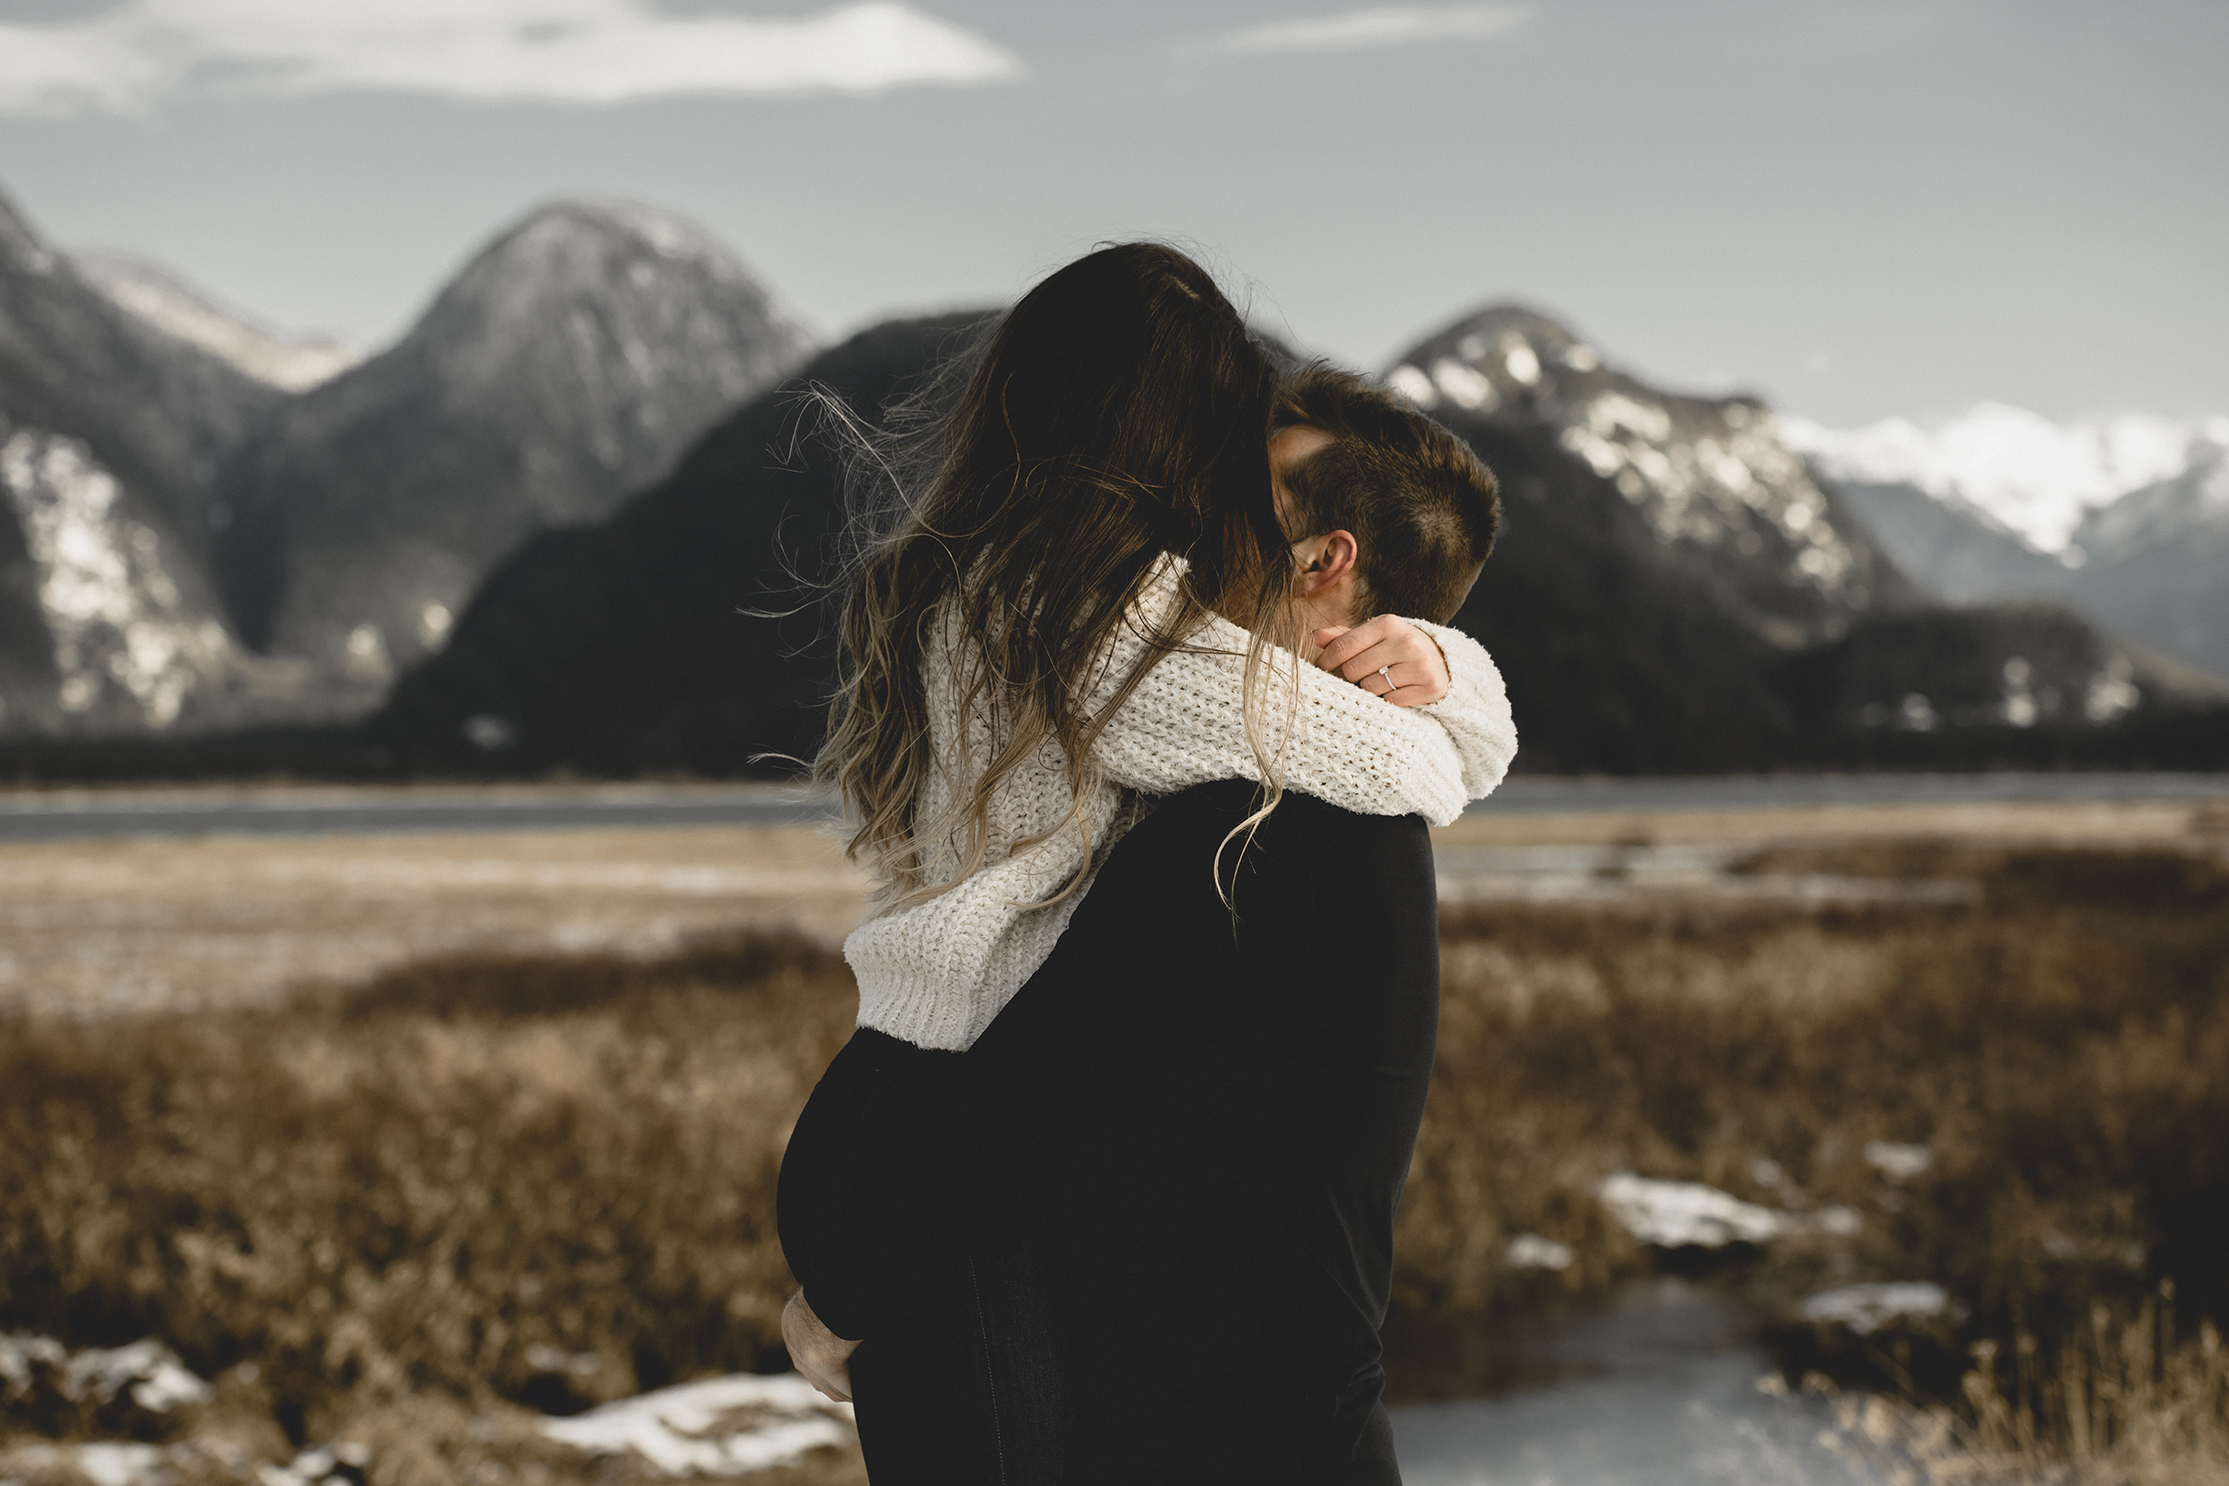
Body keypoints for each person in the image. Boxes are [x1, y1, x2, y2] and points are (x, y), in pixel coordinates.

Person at [778, 249, 1514, 1480]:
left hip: (911, 1172)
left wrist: (852, 1277)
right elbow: (1390, 757)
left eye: (1245, 485)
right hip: (933, 1199)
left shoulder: (1239, 793)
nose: (1210, 512)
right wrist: (1461, 691)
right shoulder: (1135, 666)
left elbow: (1056, 1076)